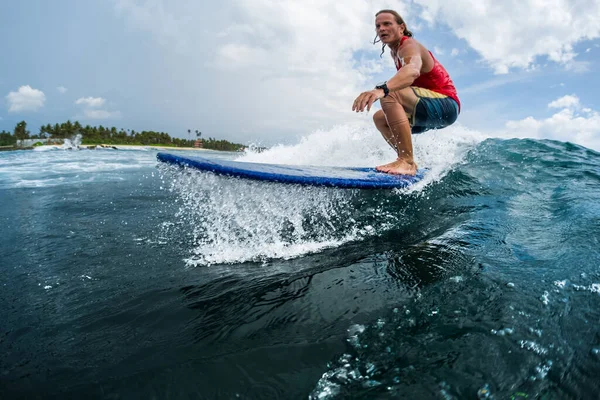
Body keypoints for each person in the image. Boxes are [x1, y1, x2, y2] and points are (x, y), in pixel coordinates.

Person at [352, 9, 460, 175]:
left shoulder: (408, 44)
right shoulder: (394, 52)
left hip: (446, 104)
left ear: (401, 28)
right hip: (430, 112)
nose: (381, 29)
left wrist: (381, 90)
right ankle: (407, 161)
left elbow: (412, 70)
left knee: (390, 94)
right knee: (380, 118)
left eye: (387, 24)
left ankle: (406, 161)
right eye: (378, 26)